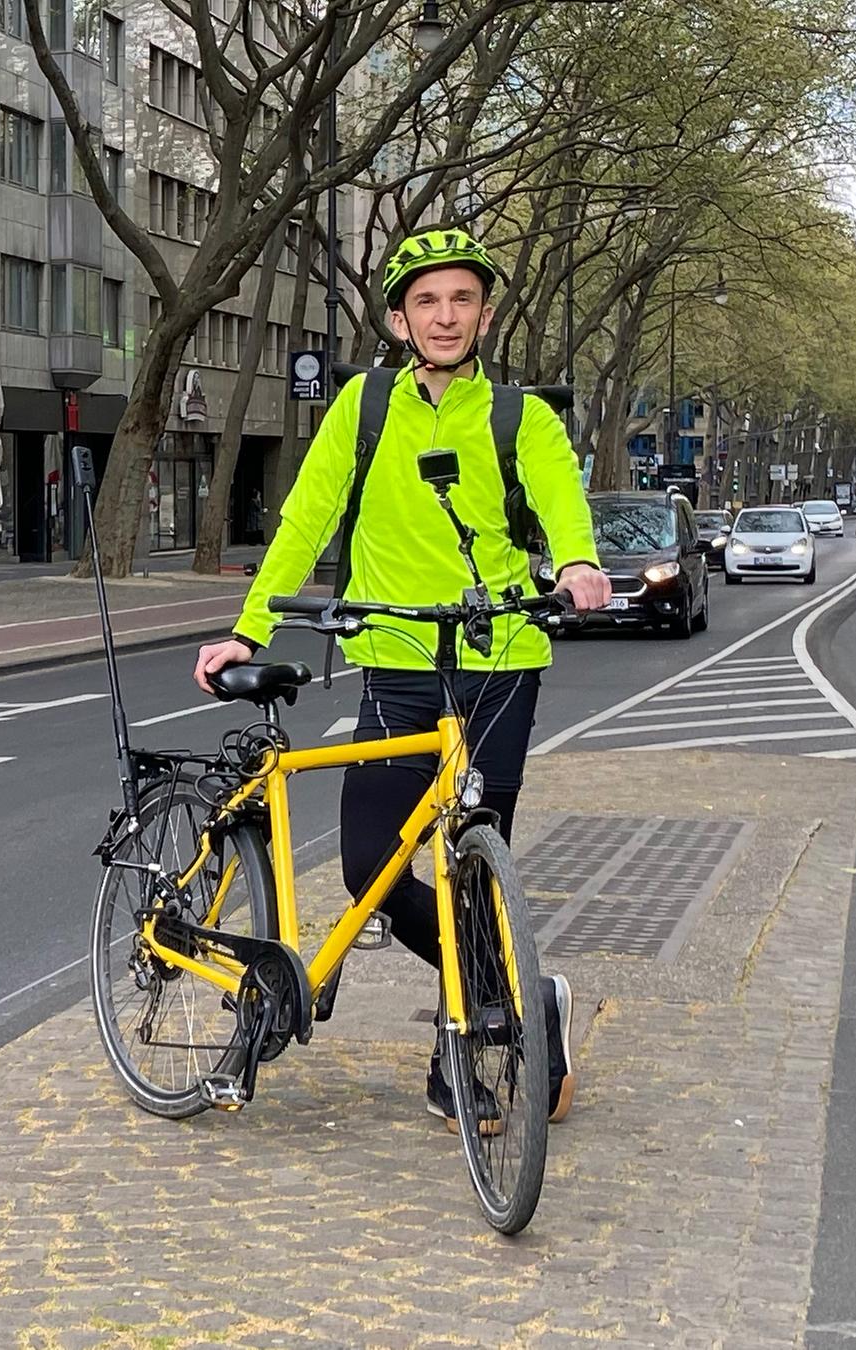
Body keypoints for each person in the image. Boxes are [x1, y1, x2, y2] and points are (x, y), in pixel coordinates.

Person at [191, 227, 610, 1128]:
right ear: (398, 317)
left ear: (485, 315)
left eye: (462, 300)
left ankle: (463, 1054)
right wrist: (248, 628)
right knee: (370, 867)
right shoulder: (364, 407)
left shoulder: (520, 418)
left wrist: (577, 566)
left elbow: (561, 503)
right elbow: (306, 516)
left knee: (471, 870)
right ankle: (529, 997)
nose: (446, 315)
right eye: (428, 301)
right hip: (396, 662)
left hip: (499, 668)